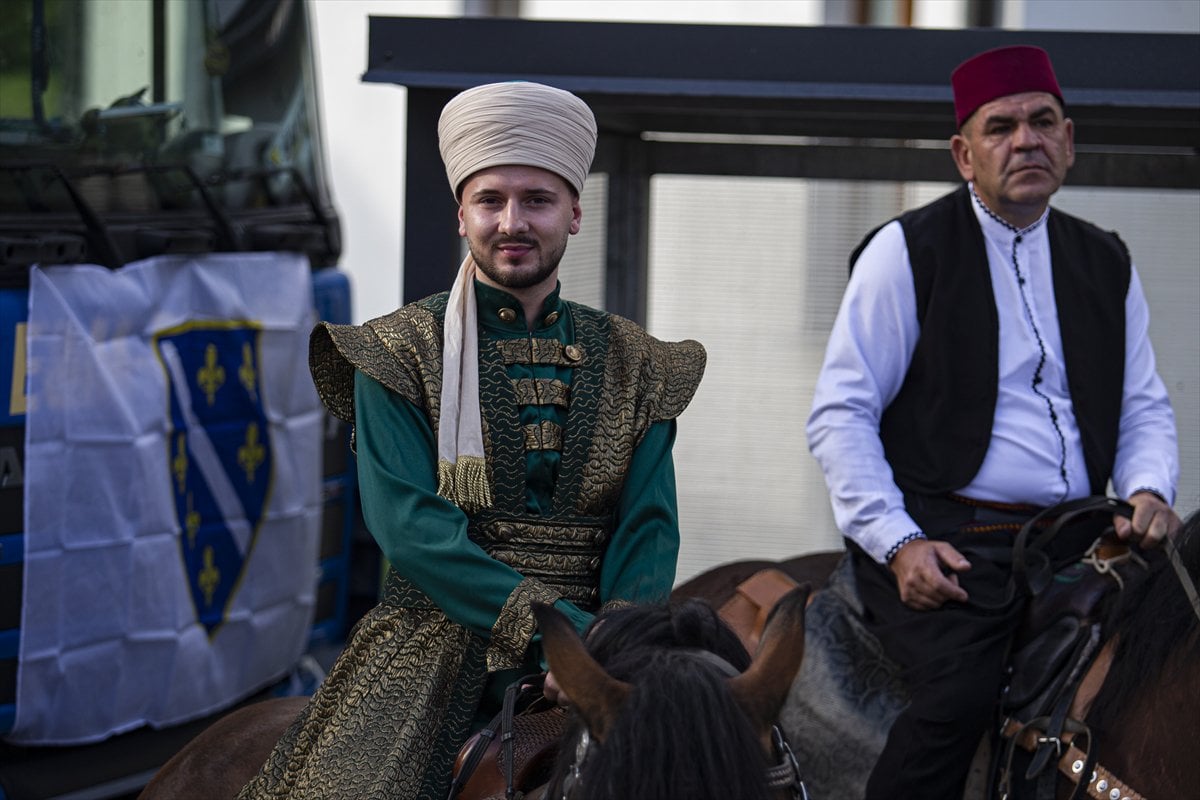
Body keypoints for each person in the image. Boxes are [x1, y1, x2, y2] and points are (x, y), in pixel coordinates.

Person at [237, 81, 706, 800]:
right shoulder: (394, 350)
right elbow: (412, 531)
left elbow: (648, 529)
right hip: (432, 649)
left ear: (575, 213)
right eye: (491, 200)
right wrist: (559, 637)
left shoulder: (640, 363)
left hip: (606, 651)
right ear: (462, 214)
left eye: (537, 200)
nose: (512, 221)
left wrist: (607, 648)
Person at [806, 44, 1181, 800]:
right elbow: (840, 415)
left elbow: (1143, 404)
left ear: (1069, 141)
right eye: (1001, 126)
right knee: (956, 701)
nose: (1026, 140)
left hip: (1085, 537)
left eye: (1042, 122)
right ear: (963, 153)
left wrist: (1147, 488)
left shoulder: (1105, 260)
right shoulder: (905, 252)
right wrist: (898, 542)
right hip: (949, 542)